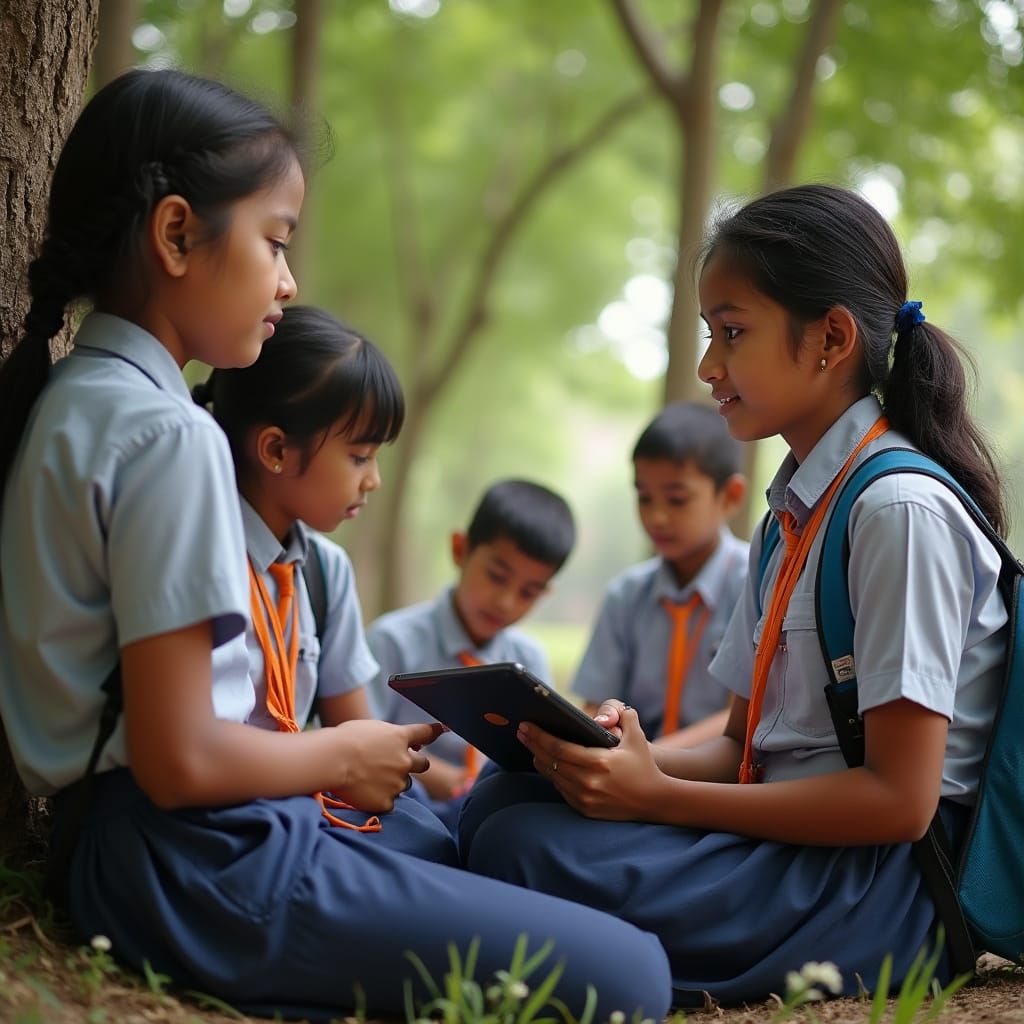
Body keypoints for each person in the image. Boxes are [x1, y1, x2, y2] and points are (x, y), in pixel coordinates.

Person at [0, 70, 671, 1022]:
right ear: (178, 234)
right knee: (634, 975)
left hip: (155, 843)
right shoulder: (168, 435)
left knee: (467, 842)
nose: (289, 279)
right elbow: (180, 760)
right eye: (274, 241)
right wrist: (336, 753)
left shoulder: (81, 399)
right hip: (195, 856)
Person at [458, 183, 1007, 1007]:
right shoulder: (791, 514)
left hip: (878, 888)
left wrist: (662, 798)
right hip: (791, 846)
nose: (708, 367)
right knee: (507, 797)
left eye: (732, 332)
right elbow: (746, 749)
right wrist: (611, 758)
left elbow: (899, 802)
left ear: (830, 338)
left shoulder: (896, 511)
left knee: (524, 849)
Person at [366, 479, 575, 829]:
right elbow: (362, 742)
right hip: (400, 806)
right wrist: (442, 778)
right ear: (460, 550)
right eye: (496, 576)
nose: (506, 602)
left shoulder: (529, 661)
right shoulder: (392, 641)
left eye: (528, 592)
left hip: (490, 817)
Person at [572, 401, 748, 746]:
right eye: (644, 498)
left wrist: (652, 758)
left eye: (677, 499)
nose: (657, 518)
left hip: (715, 778)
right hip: (628, 767)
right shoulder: (626, 594)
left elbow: (742, 715)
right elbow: (596, 703)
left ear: (730, 496)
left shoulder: (754, 583)